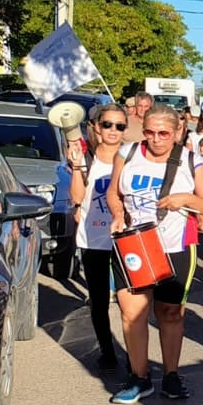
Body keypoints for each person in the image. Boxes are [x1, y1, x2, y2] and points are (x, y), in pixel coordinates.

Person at [105, 103, 203, 403]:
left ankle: (171, 375)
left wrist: (185, 199)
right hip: (134, 245)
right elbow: (114, 193)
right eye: (149, 132)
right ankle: (139, 377)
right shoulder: (128, 153)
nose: (155, 139)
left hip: (173, 245)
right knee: (132, 313)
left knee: (170, 313)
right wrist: (117, 213)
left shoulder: (190, 160)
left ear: (177, 131)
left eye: (163, 133)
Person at [65, 102, 129, 374]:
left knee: (129, 302)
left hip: (125, 238)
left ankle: (135, 356)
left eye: (120, 126)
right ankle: (107, 350)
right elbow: (77, 198)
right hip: (93, 237)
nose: (113, 130)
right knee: (99, 300)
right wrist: (76, 167)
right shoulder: (87, 158)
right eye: (107, 124)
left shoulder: (132, 156)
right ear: (96, 127)